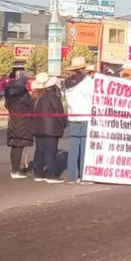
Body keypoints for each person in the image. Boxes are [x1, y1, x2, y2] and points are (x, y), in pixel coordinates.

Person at [62, 57, 95, 185]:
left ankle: (71, 177)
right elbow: (93, 96)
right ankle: (83, 176)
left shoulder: (67, 83)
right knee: (85, 148)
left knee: (74, 146)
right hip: (86, 115)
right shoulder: (87, 82)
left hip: (73, 116)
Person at [30, 73, 65, 183]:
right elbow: (59, 112)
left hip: (37, 128)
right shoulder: (52, 97)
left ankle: (38, 173)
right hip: (51, 128)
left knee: (40, 150)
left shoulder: (34, 97)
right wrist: (63, 124)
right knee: (51, 151)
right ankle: (50, 175)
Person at [4, 76, 35, 178]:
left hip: (13, 121)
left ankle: (14, 169)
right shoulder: (24, 95)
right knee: (19, 146)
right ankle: (16, 171)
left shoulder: (9, 94)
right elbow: (31, 108)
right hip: (23, 122)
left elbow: (6, 106)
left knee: (15, 146)